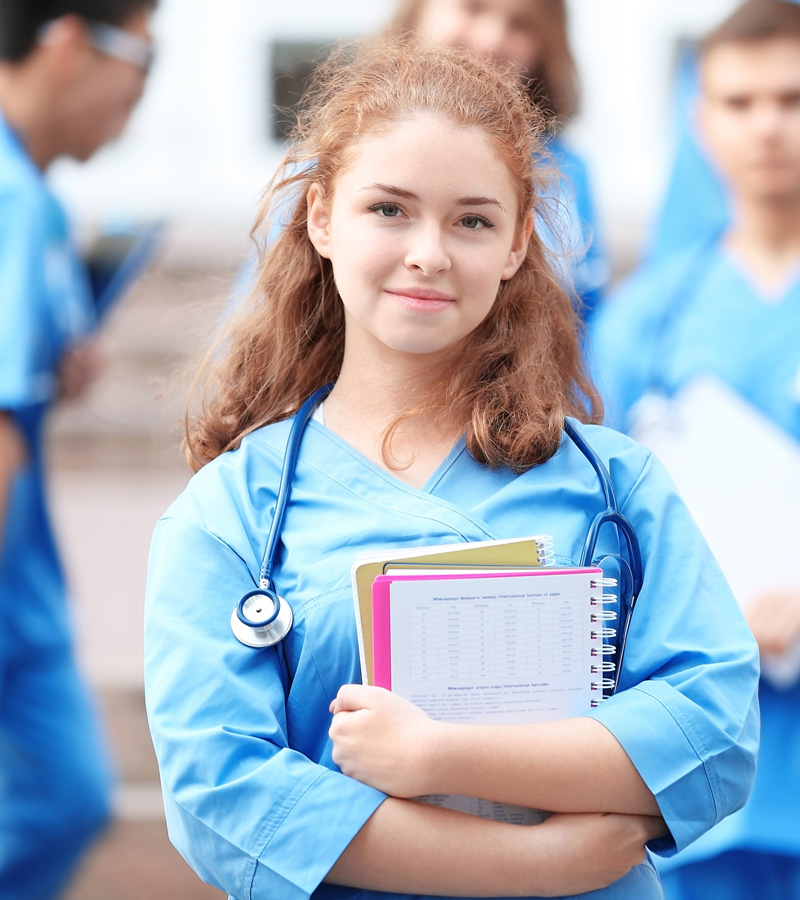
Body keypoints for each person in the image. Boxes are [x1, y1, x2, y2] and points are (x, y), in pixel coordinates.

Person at [144, 36, 758, 900]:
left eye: (472, 220)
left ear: (515, 247)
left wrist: (440, 754)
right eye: (388, 210)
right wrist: (538, 867)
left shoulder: (617, 487)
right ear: (321, 217)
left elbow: (713, 732)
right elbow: (222, 795)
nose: (429, 252)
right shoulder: (229, 514)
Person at [591, 2, 800, 898]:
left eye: (792, 99)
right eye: (741, 100)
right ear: (700, 121)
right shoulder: (647, 316)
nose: (768, 126)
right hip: (703, 762)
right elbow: (602, 528)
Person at [0, 2, 155, 898]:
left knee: (68, 797)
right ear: (65, 44)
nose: (139, 88)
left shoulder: (37, 196)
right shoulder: (15, 202)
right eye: (141, 55)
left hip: (27, 584)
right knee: (64, 796)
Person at [389, 0, 609, 320]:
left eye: (520, 24)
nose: (491, 39)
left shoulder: (566, 173)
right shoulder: (335, 153)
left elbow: (587, 314)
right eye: (472, 7)